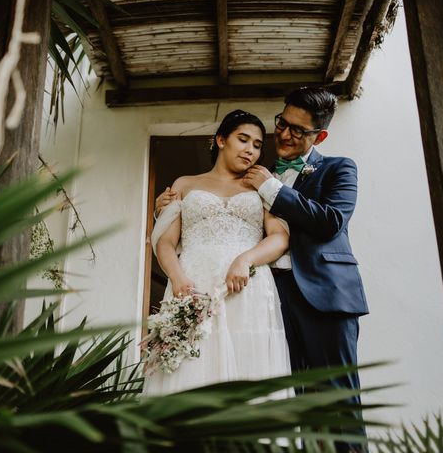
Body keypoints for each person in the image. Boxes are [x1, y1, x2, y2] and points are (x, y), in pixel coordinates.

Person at [155, 88, 368, 452]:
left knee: (337, 401)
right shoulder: (240, 175)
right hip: (272, 298)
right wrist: (165, 208)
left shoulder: (336, 168)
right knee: (288, 400)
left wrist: (270, 187)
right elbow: (174, 232)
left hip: (324, 298)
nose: (284, 135)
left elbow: (331, 221)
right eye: (282, 123)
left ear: (320, 136)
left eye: (298, 131)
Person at [144, 110, 291, 396]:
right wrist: (177, 279)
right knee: (192, 364)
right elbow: (164, 242)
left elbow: (279, 237)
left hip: (246, 285)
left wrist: (245, 259)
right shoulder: (185, 183)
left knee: (249, 360)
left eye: (258, 145)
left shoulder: (261, 184)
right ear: (221, 140)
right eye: (243, 140)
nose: (250, 150)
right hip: (194, 283)